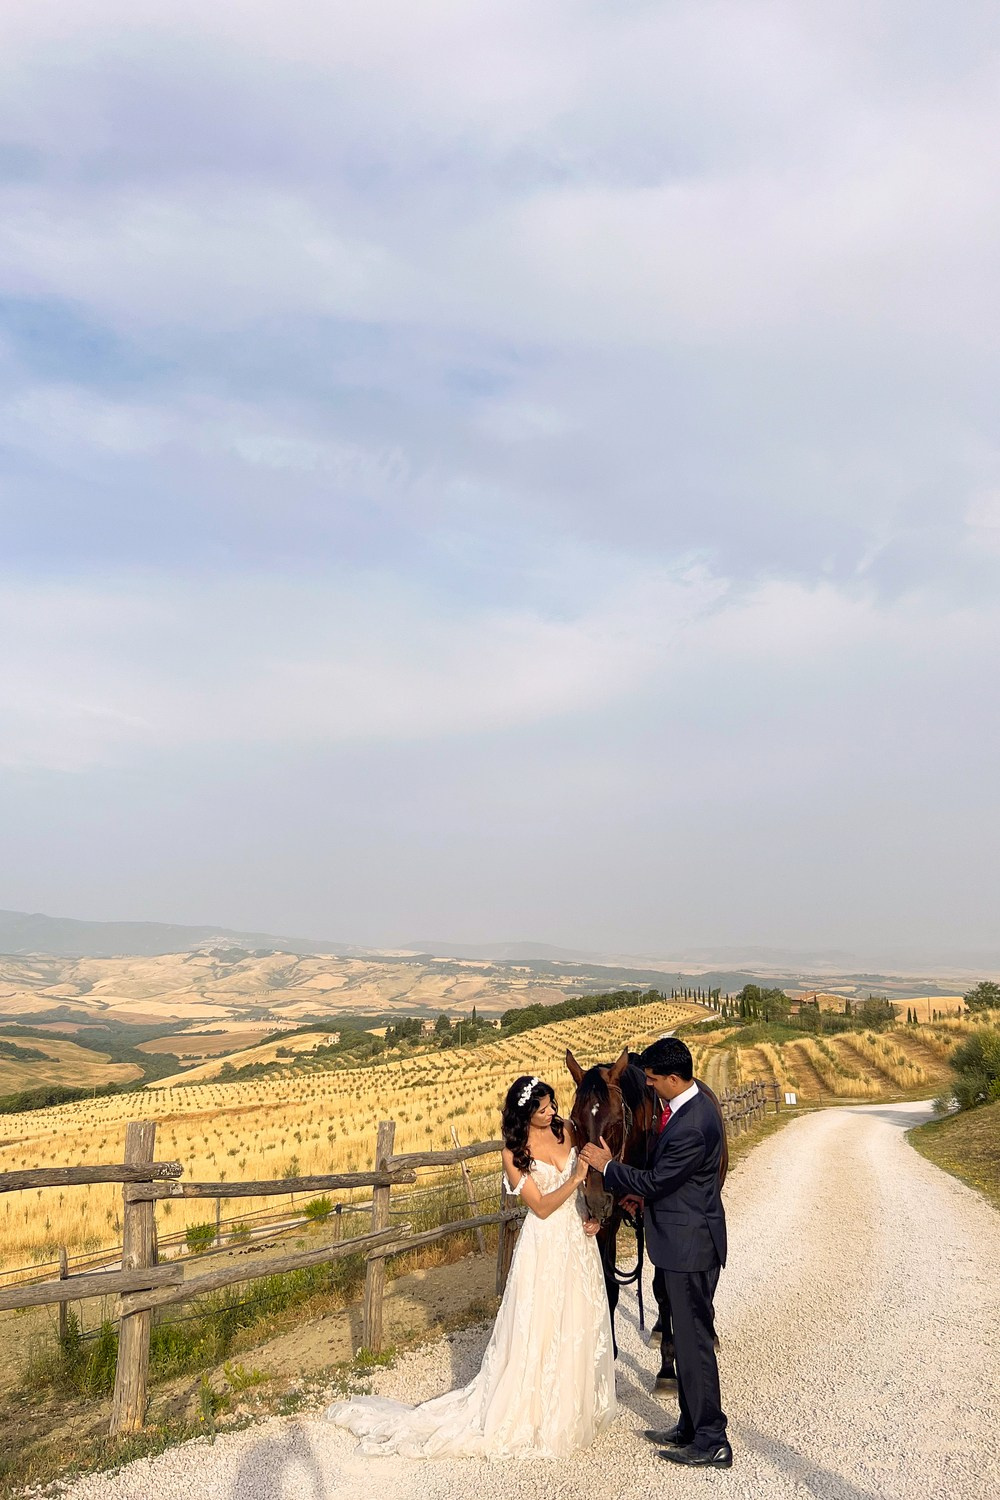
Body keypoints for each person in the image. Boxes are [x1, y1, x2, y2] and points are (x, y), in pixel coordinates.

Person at [325, 1075, 616, 1458]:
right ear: (524, 1113)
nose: (551, 1113)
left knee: (578, 1321)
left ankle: (576, 1406)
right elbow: (541, 1207)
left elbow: (590, 1178)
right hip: (544, 1245)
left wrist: (593, 1213)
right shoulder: (514, 1152)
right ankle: (536, 1412)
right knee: (541, 1324)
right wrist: (575, 1176)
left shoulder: (568, 1131)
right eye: (542, 1109)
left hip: (578, 1241)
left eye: (551, 1106)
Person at [581, 1036, 731, 1469]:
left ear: (671, 1078)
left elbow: (660, 1179)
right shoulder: (683, 1111)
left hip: (689, 1248)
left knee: (695, 1345)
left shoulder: (693, 1123)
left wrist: (608, 1168)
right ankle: (690, 1424)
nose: (647, 1086)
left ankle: (712, 1439)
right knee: (684, 1343)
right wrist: (640, 1199)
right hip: (682, 1239)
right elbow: (670, 1185)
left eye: (651, 1080)